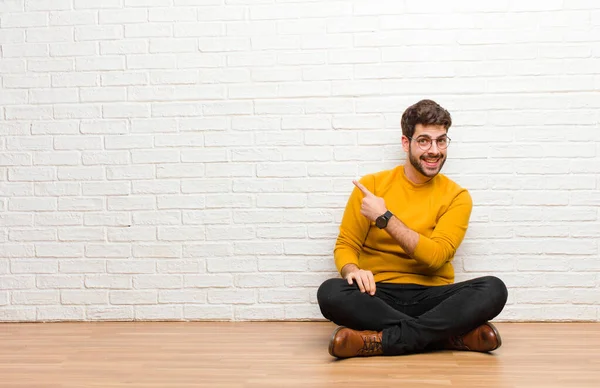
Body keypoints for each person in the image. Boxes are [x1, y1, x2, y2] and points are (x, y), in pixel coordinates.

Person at [317, 99, 508, 358]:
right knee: (330, 293)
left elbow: (435, 257)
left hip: (434, 296)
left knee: (494, 289)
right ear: (406, 143)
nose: (434, 150)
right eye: (424, 141)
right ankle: (447, 336)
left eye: (441, 140)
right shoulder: (371, 186)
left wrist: (385, 217)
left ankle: (377, 341)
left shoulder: (457, 196)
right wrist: (352, 269)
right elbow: (346, 245)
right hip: (378, 294)